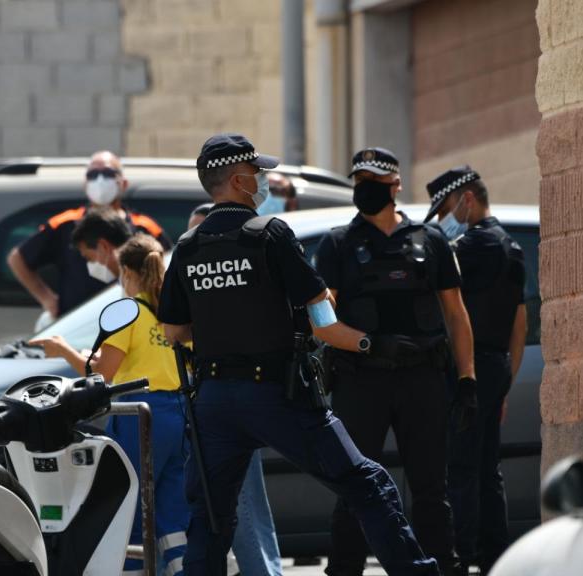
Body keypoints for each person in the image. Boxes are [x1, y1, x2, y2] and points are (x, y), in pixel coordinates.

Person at [159, 133, 439, 576]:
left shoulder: (188, 247)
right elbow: (322, 321)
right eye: (257, 173)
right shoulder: (270, 234)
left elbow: (174, 330)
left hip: (214, 401)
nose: (263, 180)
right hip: (276, 396)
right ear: (237, 180)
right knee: (368, 484)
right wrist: (369, 343)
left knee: (211, 520)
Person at [315, 147, 476, 576]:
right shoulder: (337, 244)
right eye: (359, 181)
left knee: (430, 489)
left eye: (374, 182)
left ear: (395, 186)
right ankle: (344, 569)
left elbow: (457, 316)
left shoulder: (431, 241)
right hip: (361, 381)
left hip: (422, 379)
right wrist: (371, 345)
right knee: (355, 485)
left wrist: (467, 379)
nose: (364, 189)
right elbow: (322, 320)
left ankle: (440, 567)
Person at [29, 231, 189, 576]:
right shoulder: (171, 308)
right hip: (178, 414)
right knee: (173, 510)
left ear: (128, 273)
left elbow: (106, 374)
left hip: (141, 418)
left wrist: (64, 351)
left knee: (128, 504)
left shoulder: (128, 311)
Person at [424, 166, 527, 575]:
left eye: (447, 208)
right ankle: (494, 555)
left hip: (467, 370)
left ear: (467, 198)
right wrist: (505, 382)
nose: (444, 220)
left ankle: (460, 556)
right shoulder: (511, 247)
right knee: (487, 470)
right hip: (496, 364)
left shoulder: (469, 248)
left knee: (460, 468)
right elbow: (519, 323)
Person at [186, 202, 286, 576]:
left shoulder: (235, 275)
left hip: (230, 400)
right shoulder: (186, 272)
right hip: (203, 402)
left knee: (244, 503)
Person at [7, 151, 170, 322]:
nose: (100, 180)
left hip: (131, 323)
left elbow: (168, 272)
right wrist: (48, 300)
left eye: (108, 173)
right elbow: (18, 258)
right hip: (76, 326)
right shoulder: (66, 223)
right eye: (93, 174)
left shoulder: (145, 227)